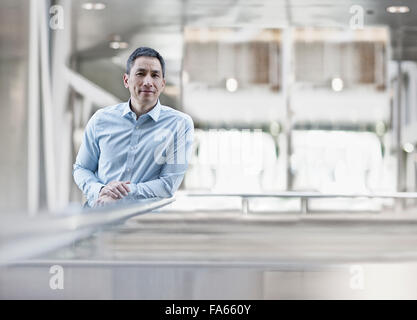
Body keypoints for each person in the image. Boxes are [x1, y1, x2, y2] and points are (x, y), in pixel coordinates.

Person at [73, 47, 194, 207]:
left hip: (142, 225)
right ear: (126, 80)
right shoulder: (100, 119)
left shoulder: (180, 124)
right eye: (140, 73)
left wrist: (123, 193)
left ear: (162, 83)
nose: (148, 81)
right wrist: (101, 190)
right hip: (97, 217)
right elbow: (82, 169)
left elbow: (168, 184)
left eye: (155, 75)